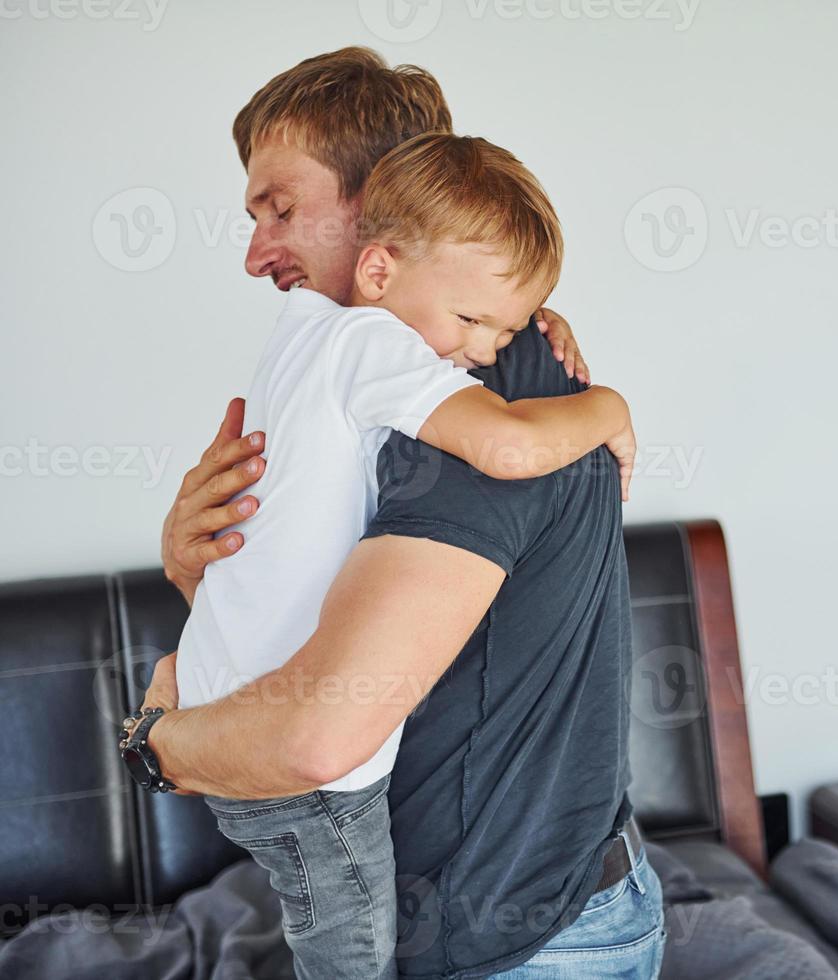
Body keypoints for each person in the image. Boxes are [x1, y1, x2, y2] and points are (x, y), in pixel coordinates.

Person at [130, 48, 663, 978]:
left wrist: (155, 747)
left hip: (518, 947)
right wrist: (195, 566)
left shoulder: (481, 396)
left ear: (386, 202)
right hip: (452, 927)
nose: (257, 254)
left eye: (281, 209)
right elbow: (307, 630)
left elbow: (316, 733)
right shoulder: (372, 378)